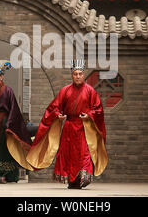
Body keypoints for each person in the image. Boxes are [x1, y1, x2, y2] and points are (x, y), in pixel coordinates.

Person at [26, 59, 108, 189]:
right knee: (69, 155)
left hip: (83, 127)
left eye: (80, 74)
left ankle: (86, 176)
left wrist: (89, 115)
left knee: (85, 152)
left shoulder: (90, 91)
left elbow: (98, 109)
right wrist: (58, 115)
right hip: (69, 126)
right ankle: (73, 181)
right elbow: (54, 107)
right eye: (75, 74)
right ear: (72, 75)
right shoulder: (65, 91)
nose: (78, 76)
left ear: (84, 74)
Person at [0, 60, 33, 183]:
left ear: (1, 77)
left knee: (3, 150)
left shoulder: (8, 91)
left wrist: (9, 123)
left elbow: (14, 109)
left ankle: (6, 174)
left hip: (3, 123)